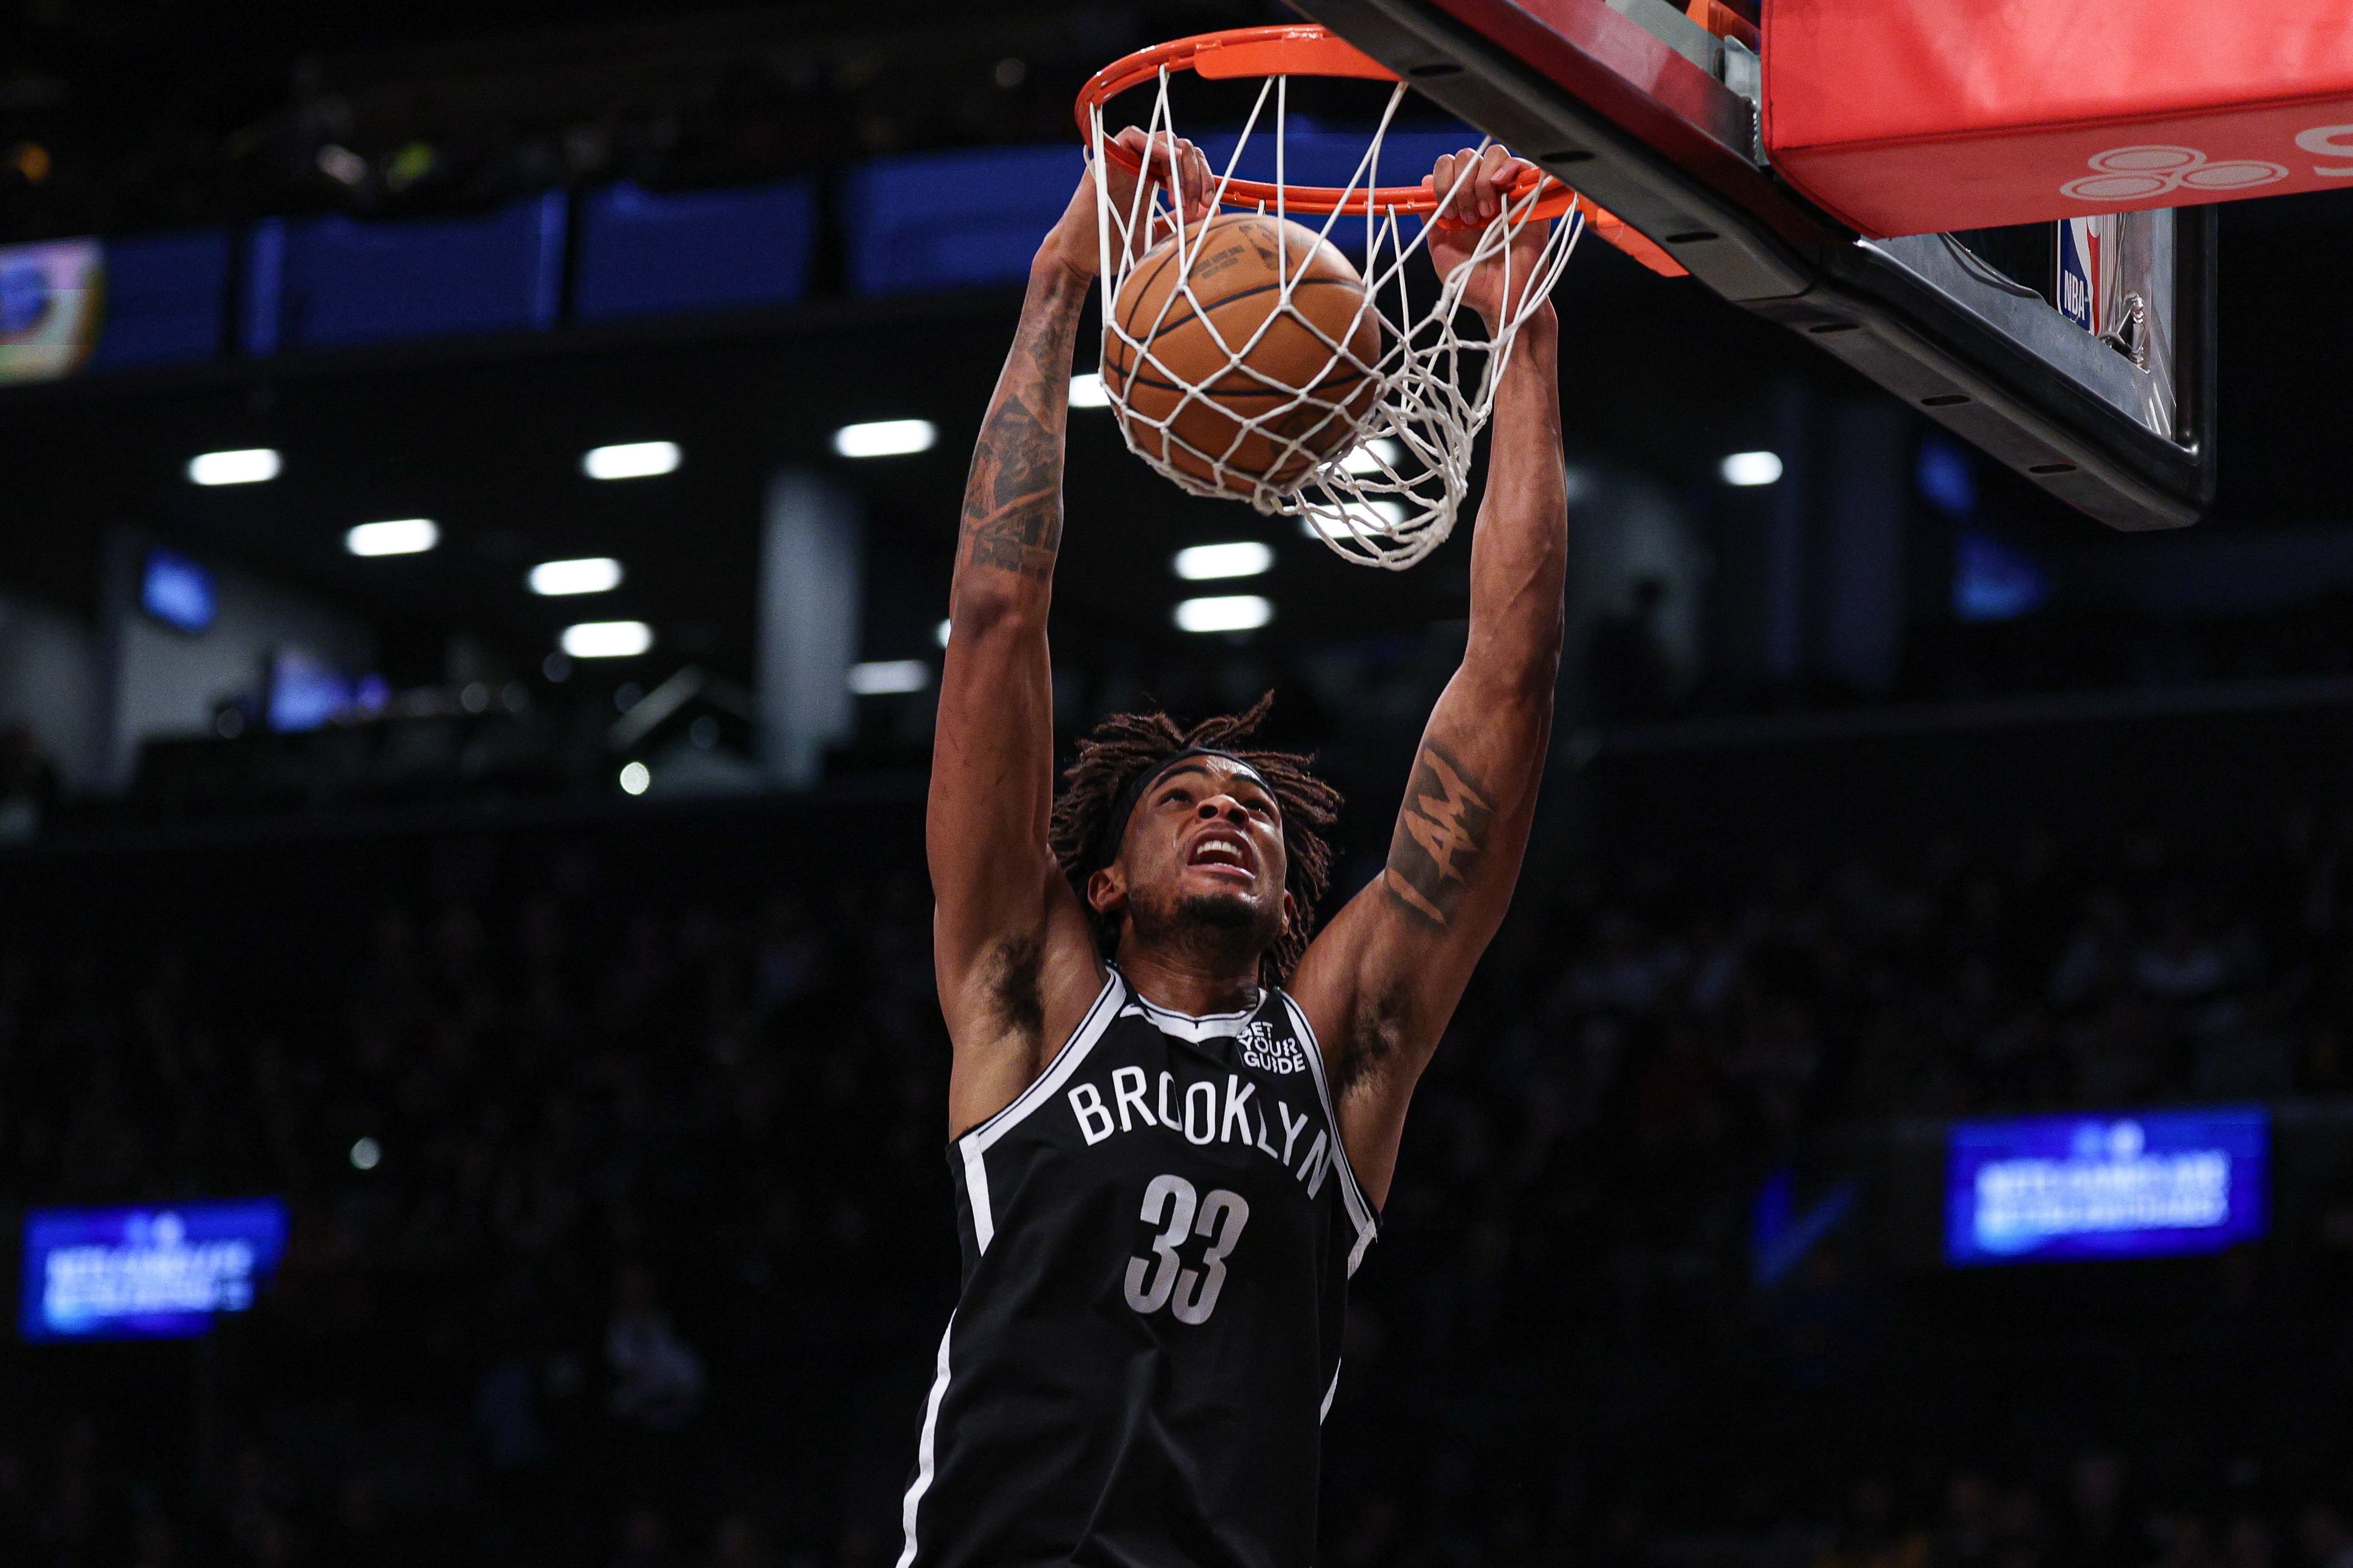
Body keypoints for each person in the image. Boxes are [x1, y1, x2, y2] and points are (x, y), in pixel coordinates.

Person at [900, 125, 1570, 1568]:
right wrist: (1058, 285)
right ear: (1102, 882)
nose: (1227, 810)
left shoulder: (1341, 1049)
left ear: (1284, 892)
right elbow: (998, 619)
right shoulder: (1028, 1001)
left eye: (1255, 807)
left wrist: (1520, 334)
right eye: (1185, 799)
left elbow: (1509, 683)